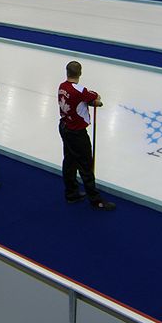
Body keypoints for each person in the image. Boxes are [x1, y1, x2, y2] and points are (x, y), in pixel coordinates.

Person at [58, 61, 115, 211]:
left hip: (64, 127)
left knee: (69, 161)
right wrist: (96, 102)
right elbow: (95, 96)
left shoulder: (62, 86)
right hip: (77, 132)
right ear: (80, 73)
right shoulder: (80, 90)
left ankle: (71, 193)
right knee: (86, 165)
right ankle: (95, 200)